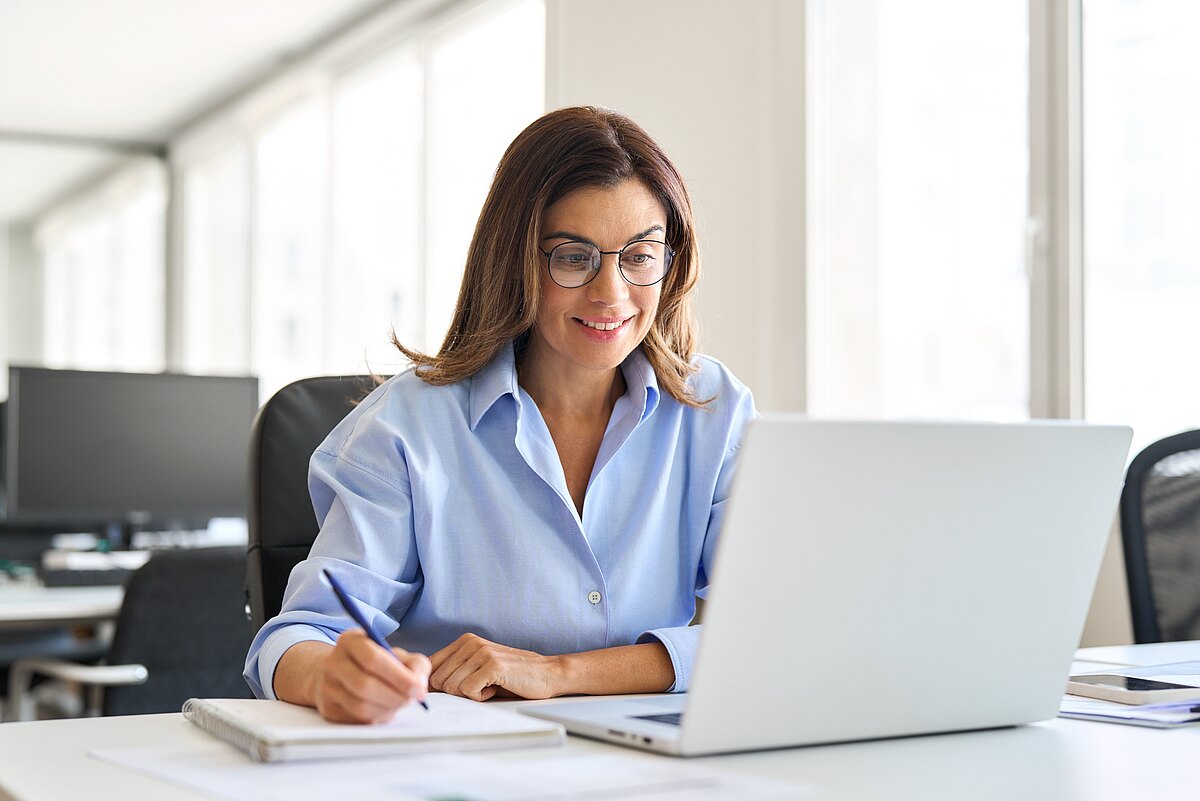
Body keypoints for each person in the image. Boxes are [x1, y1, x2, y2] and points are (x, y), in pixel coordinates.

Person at [244, 106, 757, 723]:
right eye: (573, 257)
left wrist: (558, 674)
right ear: (515, 259)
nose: (612, 293)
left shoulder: (713, 411)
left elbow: (763, 633)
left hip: (650, 758)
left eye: (641, 255)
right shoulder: (405, 428)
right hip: (459, 753)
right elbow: (294, 638)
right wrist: (333, 676)